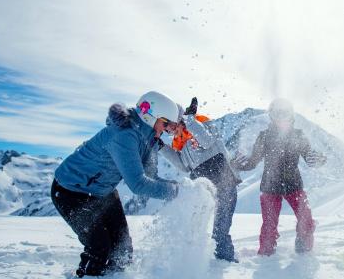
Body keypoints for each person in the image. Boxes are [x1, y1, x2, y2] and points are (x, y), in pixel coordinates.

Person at [51, 91, 181, 277]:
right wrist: (174, 192)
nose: (167, 130)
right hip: (71, 192)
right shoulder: (124, 135)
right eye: (166, 123)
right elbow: (138, 184)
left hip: (102, 192)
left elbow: (150, 177)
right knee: (100, 247)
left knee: (123, 249)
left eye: (171, 126)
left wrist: (179, 188)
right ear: (149, 115)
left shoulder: (149, 138)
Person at [230, 98, 327, 256]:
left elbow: (309, 155)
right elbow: (253, 161)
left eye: (285, 114)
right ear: (272, 117)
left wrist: (318, 160)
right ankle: (266, 258)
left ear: (291, 116)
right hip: (270, 186)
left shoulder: (298, 136)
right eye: (277, 114)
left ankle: (304, 250)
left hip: (294, 184)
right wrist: (239, 164)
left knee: (307, 222)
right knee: (269, 227)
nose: (282, 119)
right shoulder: (265, 136)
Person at [159, 97, 242, 262]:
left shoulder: (199, 123)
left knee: (220, 228)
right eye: (166, 130)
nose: (168, 131)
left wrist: (190, 121)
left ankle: (225, 261)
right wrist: (161, 147)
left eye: (168, 126)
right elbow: (184, 166)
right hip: (204, 187)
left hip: (224, 180)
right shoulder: (178, 141)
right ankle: (196, 259)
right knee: (195, 224)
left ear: (176, 118)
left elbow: (207, 141)